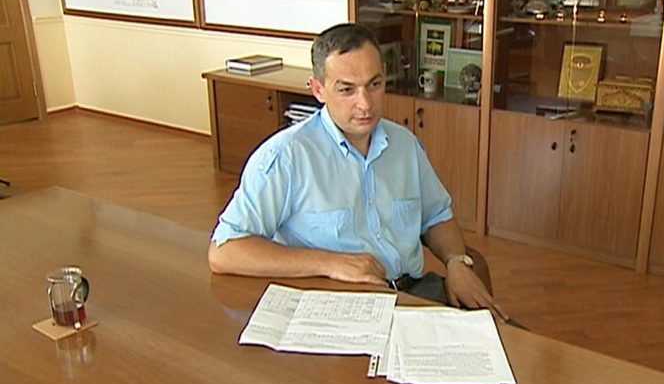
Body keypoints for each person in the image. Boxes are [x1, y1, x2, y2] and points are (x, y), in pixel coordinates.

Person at [208, 23, 508, 319]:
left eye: (374, 85)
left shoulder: (405, 145)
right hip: (337, 306)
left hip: (414, 295)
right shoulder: (286, 156)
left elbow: (437, 216)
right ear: (318, 89)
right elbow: (224, 251)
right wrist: (329, 263)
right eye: (347, 90)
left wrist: (456, 261)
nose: (365, 104)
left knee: (509, 343)